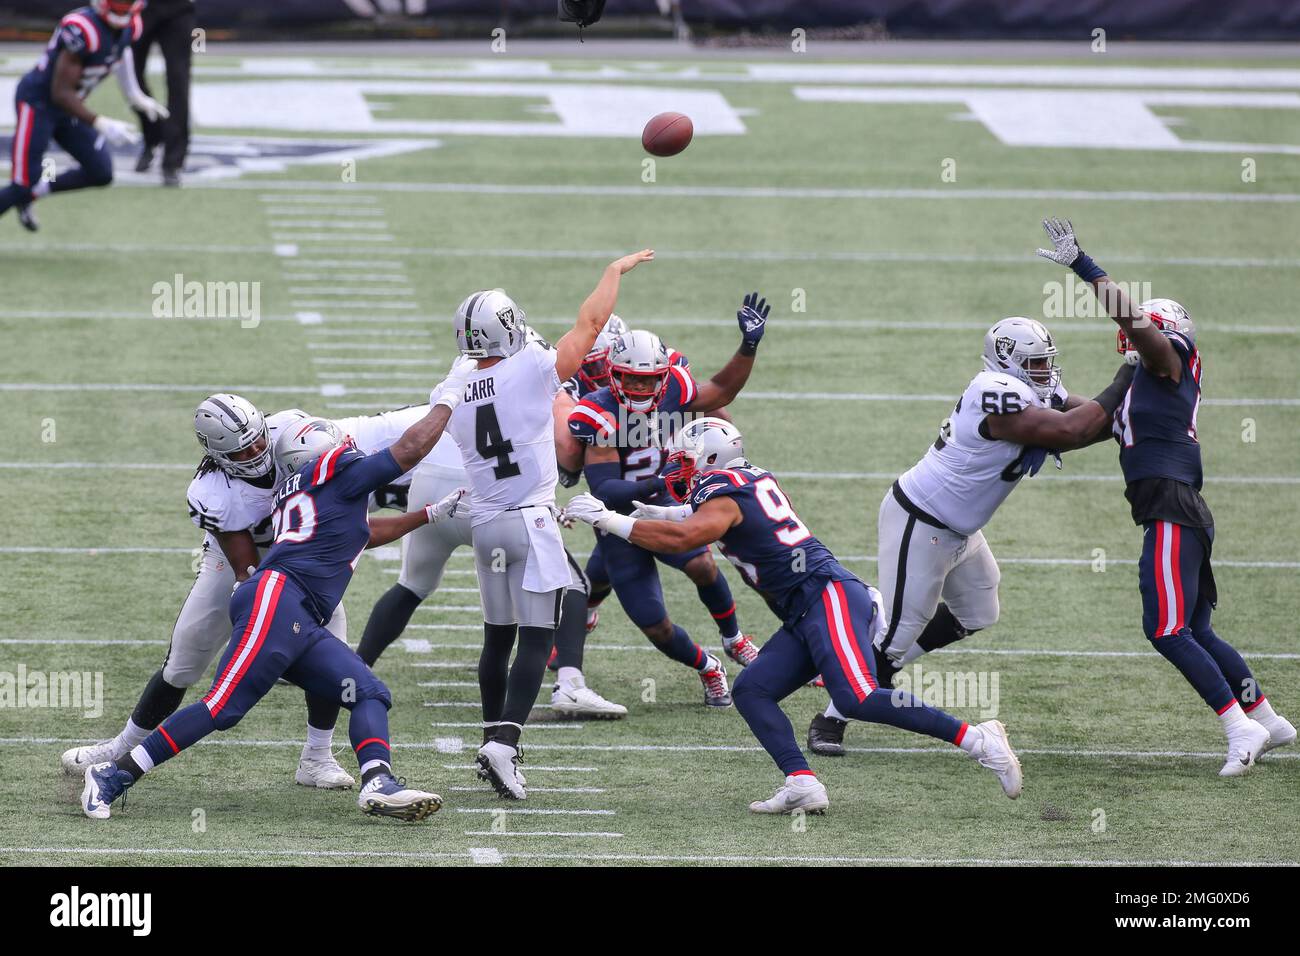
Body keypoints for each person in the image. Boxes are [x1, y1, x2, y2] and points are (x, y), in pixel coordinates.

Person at [565, 417, 1024, 814]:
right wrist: (653, 511)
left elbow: (689, 537)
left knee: (859, 697)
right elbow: (699, 515)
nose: (675, 469)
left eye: (685, 460)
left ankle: (979, 740)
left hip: (827, 597)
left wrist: (609, 520)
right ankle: (802, 782)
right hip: (807, 608)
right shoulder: (745, 480)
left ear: (711, 459)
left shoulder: (723, 494)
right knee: (753, 690)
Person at [82, 376, 473, 821]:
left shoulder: (306, 471)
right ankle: (113, 773)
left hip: (299, 599)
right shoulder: (331, 475)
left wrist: (428, 514)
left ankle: (375, 780)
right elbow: (407, 450)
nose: (351, 452)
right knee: (222, 706)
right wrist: (449, 397)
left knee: (369, 691)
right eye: (342, 450)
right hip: (271, 592)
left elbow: (358, 533)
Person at [1036, 216, 1296, 775]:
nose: (1131, 339)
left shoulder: (1167, 361)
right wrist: (1042, 398)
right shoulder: (1144, 390)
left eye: (1142, 332)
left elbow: (1145, 333)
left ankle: (1238, 726)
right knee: (1197, 629)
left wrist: (1086, 266)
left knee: (1166, 630)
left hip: (1173, 509)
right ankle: (1267, 717)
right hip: (1180, 510)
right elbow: (1086, 423)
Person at [807, 316, 1132, 756]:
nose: (1046, 373)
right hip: (920, 520)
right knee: (901, 630)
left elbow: (1085, 421)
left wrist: (1128, 418)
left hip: (959, 526)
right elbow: (1071, 430)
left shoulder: (1027, 390)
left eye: (1045, 364)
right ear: (1007, 360)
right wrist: (1130, 370)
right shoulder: (994, 392)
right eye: (1036, 364)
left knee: (978, 609)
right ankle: (833, 714)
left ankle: (879, 667)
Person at [442, 250, 652, 799]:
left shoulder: (456, 381)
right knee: (537, 640)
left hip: (484, 526)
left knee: (496, 638)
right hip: (531, 522)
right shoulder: (535, 369)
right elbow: (591, 323)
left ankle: (492, 738)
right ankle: (505, 746)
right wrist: (612, 273)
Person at [566, 297, 769, 707]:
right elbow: (605, 490)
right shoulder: (596, 411)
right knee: (654, 624)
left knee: (702, 563)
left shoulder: (673, 385)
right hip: (616, 514)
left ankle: (733, 638)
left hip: (661, 494)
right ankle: (708, 665)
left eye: (648, 380)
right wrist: (662, 479)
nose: (640, 388)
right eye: (630, 379)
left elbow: (720, 390)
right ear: (613, 374)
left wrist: (748, 346)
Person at [0, 2, 167, 231]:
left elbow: (121, 52)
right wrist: (100, 122)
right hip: (38, 103)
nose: (121, 10)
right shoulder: (82, 28)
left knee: (100, 171)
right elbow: (60, 93)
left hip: (69, 107)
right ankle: (27, 192)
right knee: (22, 184)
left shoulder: (132, 25)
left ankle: (35, 192)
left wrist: (135, 95)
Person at [130, 0, 195, 186]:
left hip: (178, 7)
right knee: (130, 75)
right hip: (139, 7)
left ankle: (173, 161)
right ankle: (152, 134)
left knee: (178, 80)